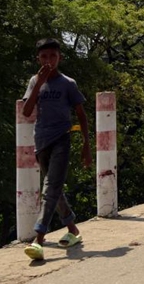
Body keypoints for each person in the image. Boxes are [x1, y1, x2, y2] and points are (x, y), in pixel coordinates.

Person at [22, 38, 92, 261]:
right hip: (41, 140)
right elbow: (26, 111)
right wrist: (39, 83)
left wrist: (86, 145)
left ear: (59, 58)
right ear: (38, 59)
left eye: (53, 56)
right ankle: (72, 229)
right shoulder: (35, 81)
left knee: (50, 187)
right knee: (55, 188)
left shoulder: (68, 83)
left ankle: (38, 238)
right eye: (44, 57)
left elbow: (81, 114)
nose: (48, 60)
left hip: (62, 138)